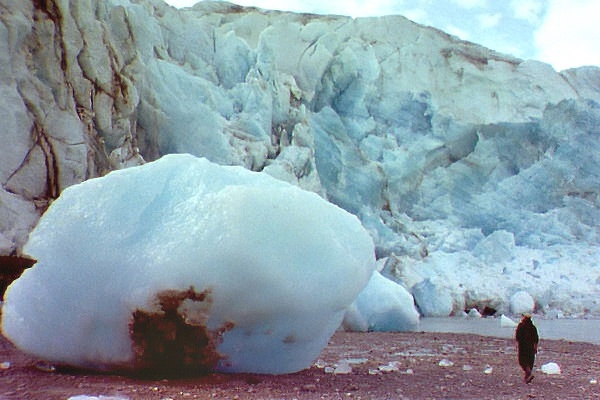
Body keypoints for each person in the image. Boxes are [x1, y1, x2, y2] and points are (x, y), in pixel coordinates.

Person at [515, 313, 539, 383]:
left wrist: (518, 344)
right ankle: (527, 376)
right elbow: (536, 338)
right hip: (531, 347)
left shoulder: (521, 326)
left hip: (523, 347)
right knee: (530, 361)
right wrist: (535, 347)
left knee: (522, 361)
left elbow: (518, 337)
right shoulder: (533, 327)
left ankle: (528, 373)